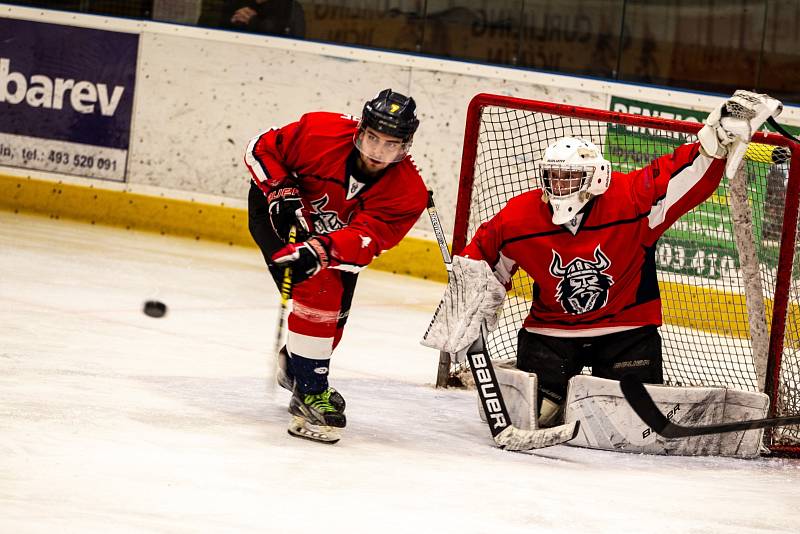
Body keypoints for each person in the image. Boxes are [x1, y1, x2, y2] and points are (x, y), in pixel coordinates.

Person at [424, 90, 782, 427]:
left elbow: (680, 178)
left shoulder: (630, 201)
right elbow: (481, 261)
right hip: (551, 333)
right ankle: (556, 397)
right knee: (536, 414)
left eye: (570, 177)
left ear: (594, 177)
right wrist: (467, 314)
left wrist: (713, 142)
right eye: (553, 177)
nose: (559, 187)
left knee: (629, 423)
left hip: (626, 331)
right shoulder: (519, 218)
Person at [244, 89, 427, 442]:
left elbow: (367, 238)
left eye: (390, 144)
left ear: (405, 147)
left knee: (334, 319)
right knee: (319, 286)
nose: (376, 152)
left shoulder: (407, 193)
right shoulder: (319, 133)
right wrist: (279, 189)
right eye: (372, 138)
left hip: (335, 241)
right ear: (360, 130)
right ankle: (311, 391)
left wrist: (320, 249)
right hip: (277, 216)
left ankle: (295, 366)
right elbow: (259, 147)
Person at [201, 0, 306, 38]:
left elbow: (296, 44)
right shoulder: (234, 3)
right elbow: (208, 26)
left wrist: (253, 22)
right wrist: (233, 20)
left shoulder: (291, 8)